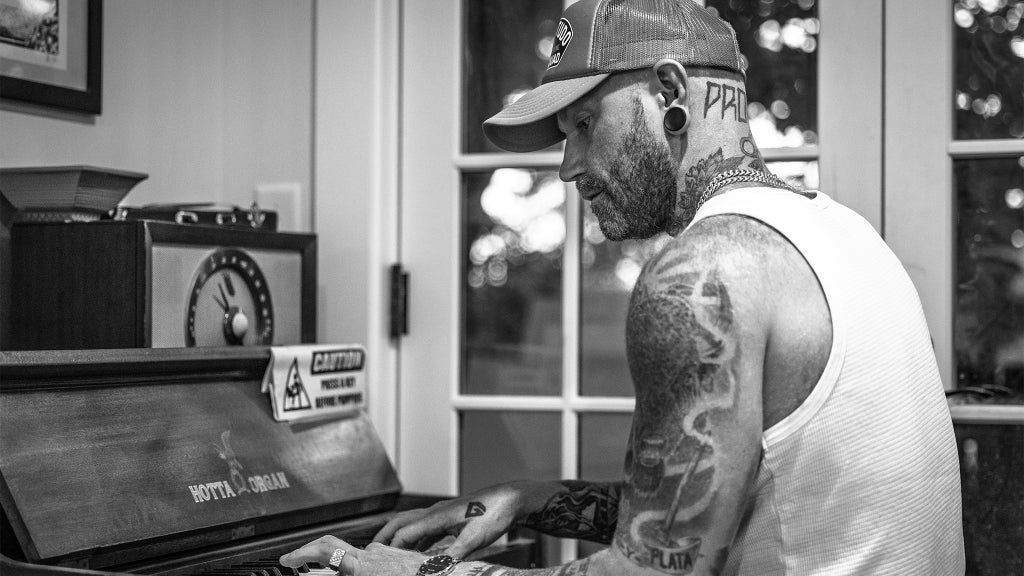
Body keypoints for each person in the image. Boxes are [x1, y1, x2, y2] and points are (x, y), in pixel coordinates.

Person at [280, 0, 965, 574]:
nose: (568, 167)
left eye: (584, 124)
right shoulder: (845, 236)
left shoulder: (706, 273)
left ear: (669, 92)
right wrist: (533, 498)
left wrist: (415, 573)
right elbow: (704, 511)